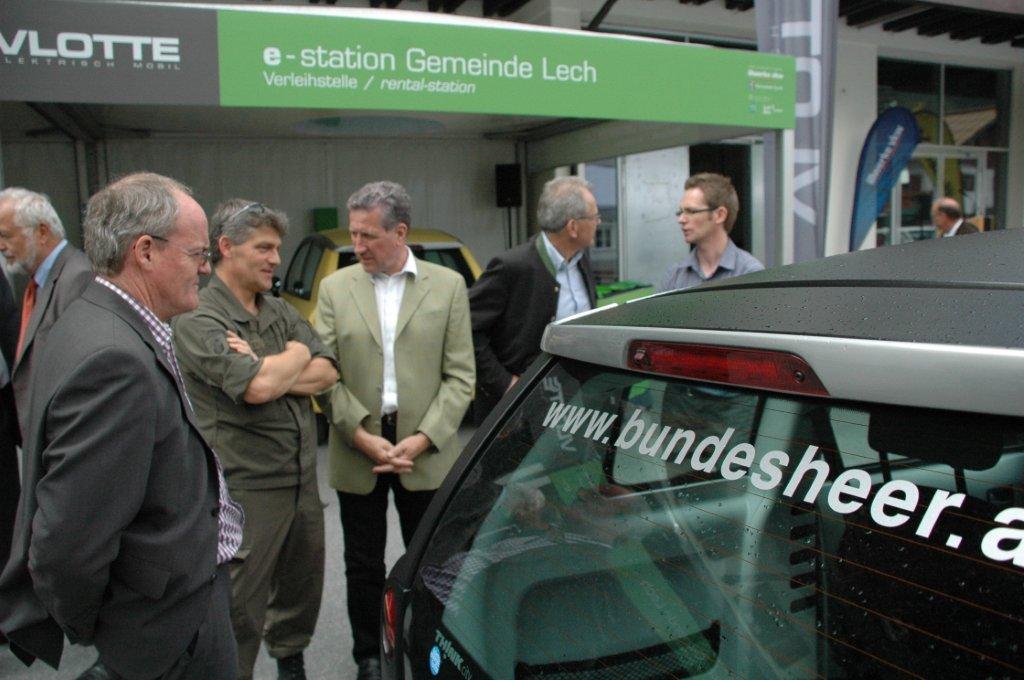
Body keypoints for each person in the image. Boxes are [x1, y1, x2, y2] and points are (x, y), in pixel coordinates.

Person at [0, 172, 244, 680]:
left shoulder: (95, 316)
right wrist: (120, 629)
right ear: (146, 251)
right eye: (198, 254)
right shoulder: (116, 358)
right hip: (168, 628)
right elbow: (67, 545)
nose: (206, 269)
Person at [313, 181, 474, 680]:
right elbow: (323, 373)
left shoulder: (447, 287)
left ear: (400, 232)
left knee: (430, 563)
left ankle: (423, 645)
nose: (356, 245)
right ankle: (367, 655)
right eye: (353, 234)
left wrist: (424, 439)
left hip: (424, 449)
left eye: (367, 235)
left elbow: (460, 376)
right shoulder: (336, 288)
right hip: (357, 445)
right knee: (361, 563)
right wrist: (359, 434)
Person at [174, 199, 338, 680]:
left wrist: (267, 365)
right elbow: (257, 388)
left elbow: (328, 371)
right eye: (264, 248)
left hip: (300, 479)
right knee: (239, 609)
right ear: (226, 247)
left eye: (277, 249)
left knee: (302, 588)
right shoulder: (199, 318)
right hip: (247, 489)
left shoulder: (278, 310)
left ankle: (291, 662)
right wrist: (294, 355)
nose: (275, 259)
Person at [469, 176, 597, 420]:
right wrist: (505, 383)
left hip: (572, 402)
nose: (598, 222)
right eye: (594, 217)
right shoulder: (513, 267)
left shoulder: (582, 262)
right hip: (518, 413)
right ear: (573, 227)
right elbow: (466, 328)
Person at [0, 187, 92, 435]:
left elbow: (83, 371)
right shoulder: (40, 282)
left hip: (67, 432)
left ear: (42, 232)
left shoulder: (77, 278)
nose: (1, 246)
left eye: (6, 235)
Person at [657, 172, 764, 293]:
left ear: (720, 215)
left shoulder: (750, 273)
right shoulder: (675, 276)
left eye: (691, 211)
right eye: (680, 212)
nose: (681, 219)